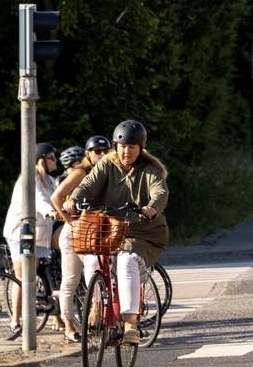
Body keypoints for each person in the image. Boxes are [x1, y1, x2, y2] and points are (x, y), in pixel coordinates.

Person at [53, 121, 168, 345]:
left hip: (141, 231)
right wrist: (74, 200)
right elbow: (87, 185)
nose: (126, 152)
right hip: (106, 227)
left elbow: (160, 191)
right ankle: (96, 306)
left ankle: (130, 323)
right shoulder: (107, 164)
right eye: (122, 146)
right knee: (91, 259)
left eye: (132, 147)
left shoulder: (151, 170)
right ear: (116, 146)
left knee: (126, 261)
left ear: (141, 148)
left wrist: (151, 207)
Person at [49, 141, 109, 342]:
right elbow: (56, 197)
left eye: (104, 150)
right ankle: (68, 326)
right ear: (88, 153)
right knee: (71, 280)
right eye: (96, 151)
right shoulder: (81, 172)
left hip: (92, 229)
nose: (101, 154)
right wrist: (70, 222)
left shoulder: (103, 171)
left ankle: (100, 316)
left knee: (98, 269)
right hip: (74, 231)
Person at [1, 142, 61, 336]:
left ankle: (49, 313)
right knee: (22, 276)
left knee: (33, 276)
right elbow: (39, 200)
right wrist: (51, 211)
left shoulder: (50, 181)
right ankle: (16, 321)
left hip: (40, 235)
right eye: (51, 157)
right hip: (22, 232)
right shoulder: (30, 179)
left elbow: (57, 197)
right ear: (41, 159)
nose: (55, 160)